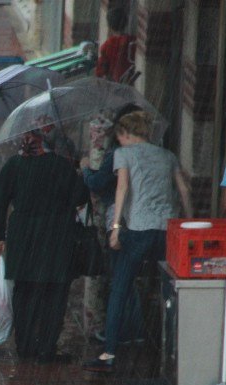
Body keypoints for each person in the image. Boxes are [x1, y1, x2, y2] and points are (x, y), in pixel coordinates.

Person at [83, 111, 192, 373]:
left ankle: (109, 353)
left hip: (137, 229)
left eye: (120, 137)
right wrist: (189, 223)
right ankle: (177, 352)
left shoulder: (123, 155)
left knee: (120, 288)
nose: (119, 142)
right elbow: (184, 190)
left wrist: (116, 227)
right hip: (168, 230)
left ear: (126, 134)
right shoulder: (168, 156)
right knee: (172, 289)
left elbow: (121, 189)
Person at [0, 129, 89, 363]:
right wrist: (77, 171)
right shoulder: (61, 166)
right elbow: (80, 198)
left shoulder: (13, 166)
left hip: (23, 237)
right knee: (54, 293)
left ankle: (24, 345)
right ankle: (46, 347)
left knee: (24, 291)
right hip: (56, 237)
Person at [80, 103, 145, 343]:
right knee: (129, 276)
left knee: (121, 277)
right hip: (142, 219)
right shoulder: (148, 153)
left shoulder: (118, 155)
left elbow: (98, 183)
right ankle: (131, 328)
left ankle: (123, 331)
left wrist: (85, 170)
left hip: (121, 221)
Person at [95, 7, 135, 83]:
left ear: (109, 26)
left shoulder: (107, 45)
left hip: (115, 84)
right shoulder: (132, 41)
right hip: (130, 82)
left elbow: (100, 71)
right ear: (126, 23)